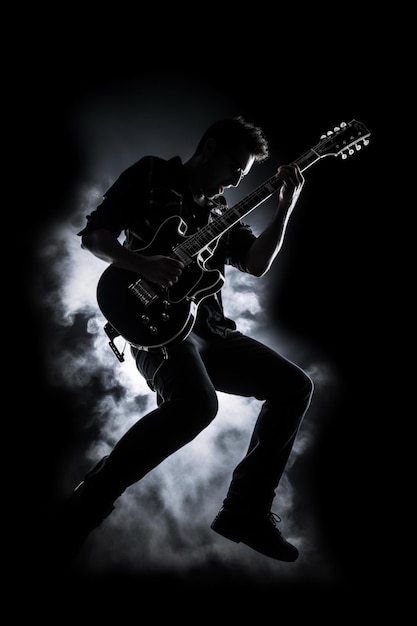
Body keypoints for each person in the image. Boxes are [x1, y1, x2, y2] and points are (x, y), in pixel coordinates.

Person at [51, 115, 314, 564]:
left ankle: (245, 512)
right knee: (197, 406)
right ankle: (86, 505)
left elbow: (255, 263)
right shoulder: (152, 173)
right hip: (157, 326)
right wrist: (143, 264)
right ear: (210, 148)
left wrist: (286, 204)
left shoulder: (222, 212)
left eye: (245, 175)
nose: (237, 178)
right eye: (235, 166)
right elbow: (95, 237)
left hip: (211, 328)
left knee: (294, 386)